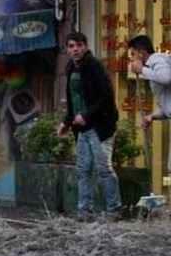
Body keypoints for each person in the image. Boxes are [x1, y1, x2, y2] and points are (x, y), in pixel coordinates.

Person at [58, 31, 122, 221]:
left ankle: (114, 210)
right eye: (71, 46)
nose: (75, 49)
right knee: (83, 170)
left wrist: (86, 115)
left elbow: (106, 97)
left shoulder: (94, 66)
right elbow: (73, 100)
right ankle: (84, 211)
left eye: (78, 45)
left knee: (104, 169)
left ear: (85, 46)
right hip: (81, 129)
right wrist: (66, 122)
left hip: (100, 127)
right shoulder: (71, 67)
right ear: (67, 49)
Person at [127, 35, 171, 129]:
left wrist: (142, 69)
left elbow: (166, 78)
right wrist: (151, 117)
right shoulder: (152, 67)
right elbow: (167, 108)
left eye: (133, 54)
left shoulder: (157, 59)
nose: (132, 58)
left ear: (141, 52)